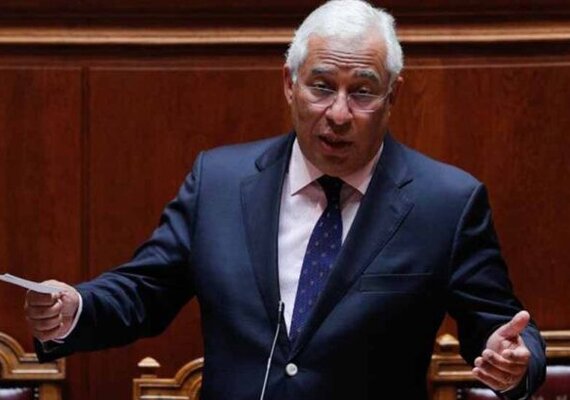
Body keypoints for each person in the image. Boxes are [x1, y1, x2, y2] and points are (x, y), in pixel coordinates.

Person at [24, 1, 546, 399]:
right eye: (322, 86)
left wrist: (515, 362)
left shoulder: (446, 203)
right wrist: (75, 308)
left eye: (362, 92)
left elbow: (502, 328)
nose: (338, 113)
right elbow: (145, 290)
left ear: (393, 97)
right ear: (289, 85)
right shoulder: (219, 182)